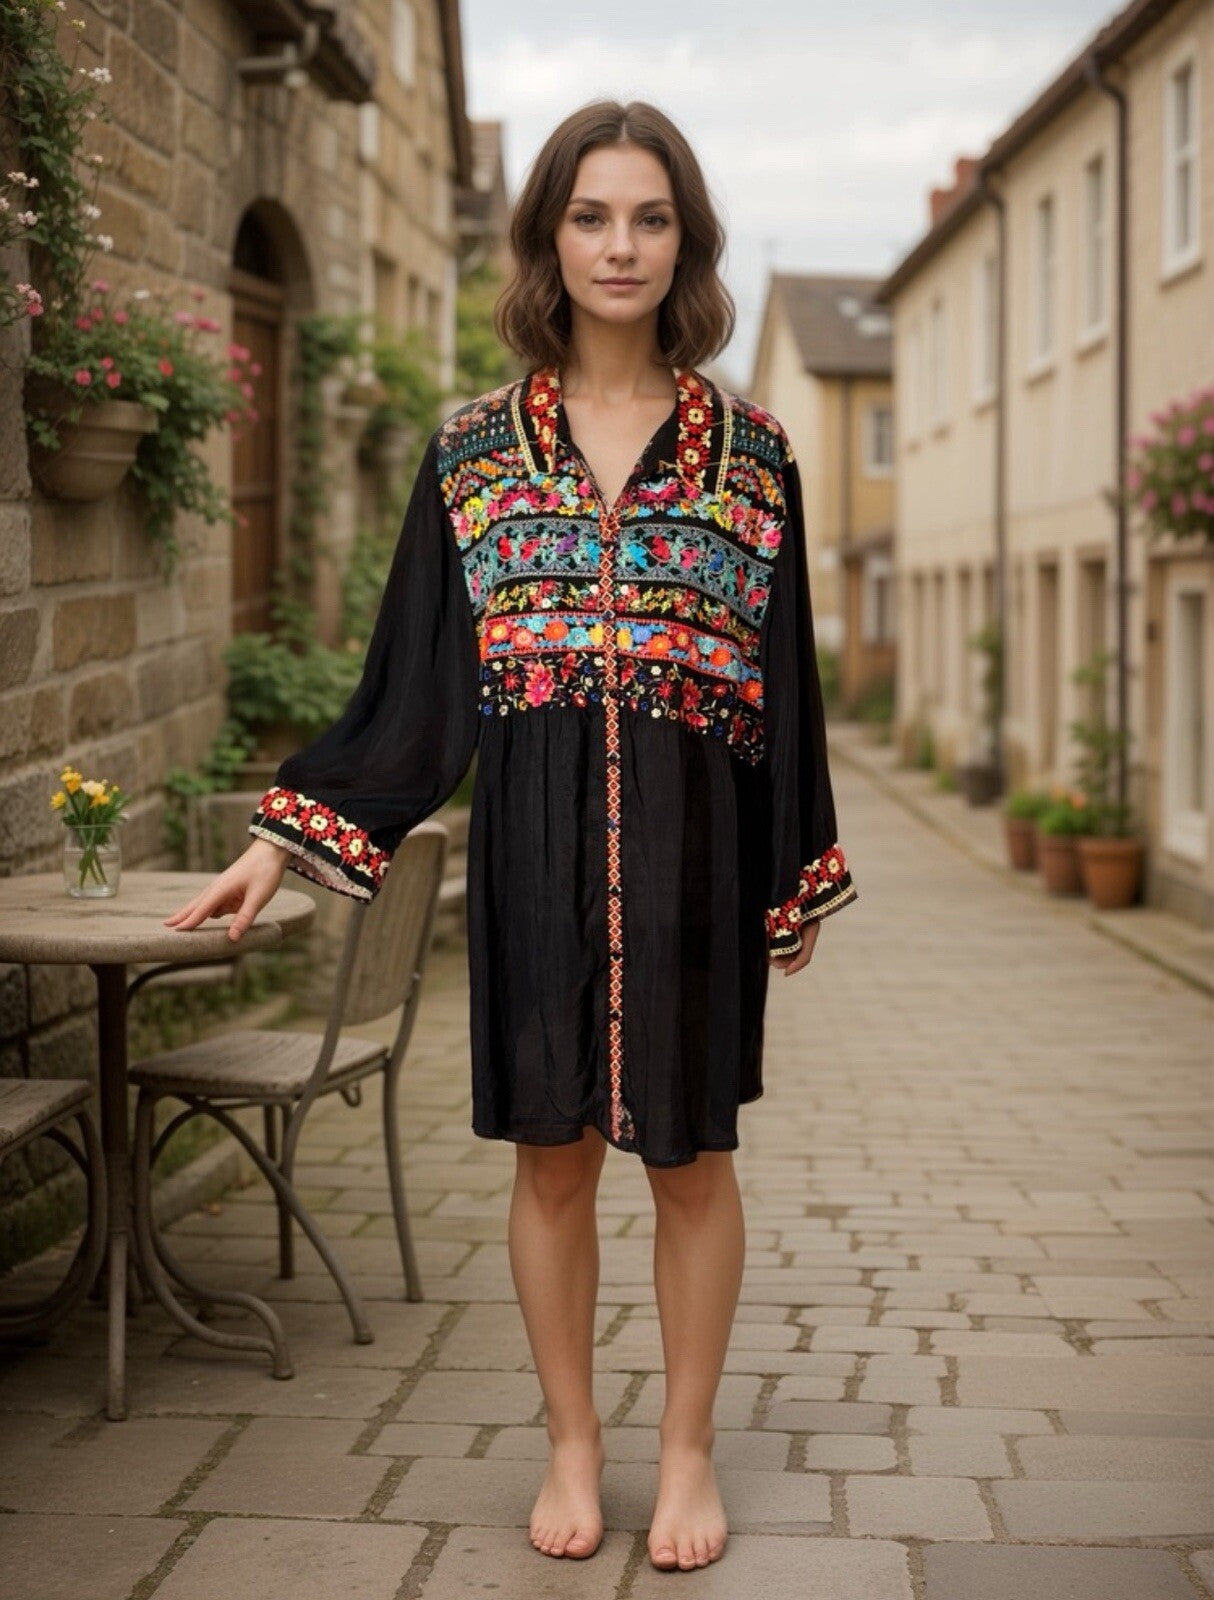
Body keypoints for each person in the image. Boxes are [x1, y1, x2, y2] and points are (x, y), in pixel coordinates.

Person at [163, 98, 858, 1572]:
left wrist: (790, 873)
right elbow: (412, 686)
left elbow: (781, 688)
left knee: (689, 1163)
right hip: (532, 860)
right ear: (549, 234)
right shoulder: (472, 455)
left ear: (687, 239)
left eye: (650, 217)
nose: (620, 245)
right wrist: (283, 840)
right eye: (592, 215)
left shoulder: (754, 454)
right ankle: (569, 1446)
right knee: (550, 1159)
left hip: (692, 866)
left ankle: (683, 1455)